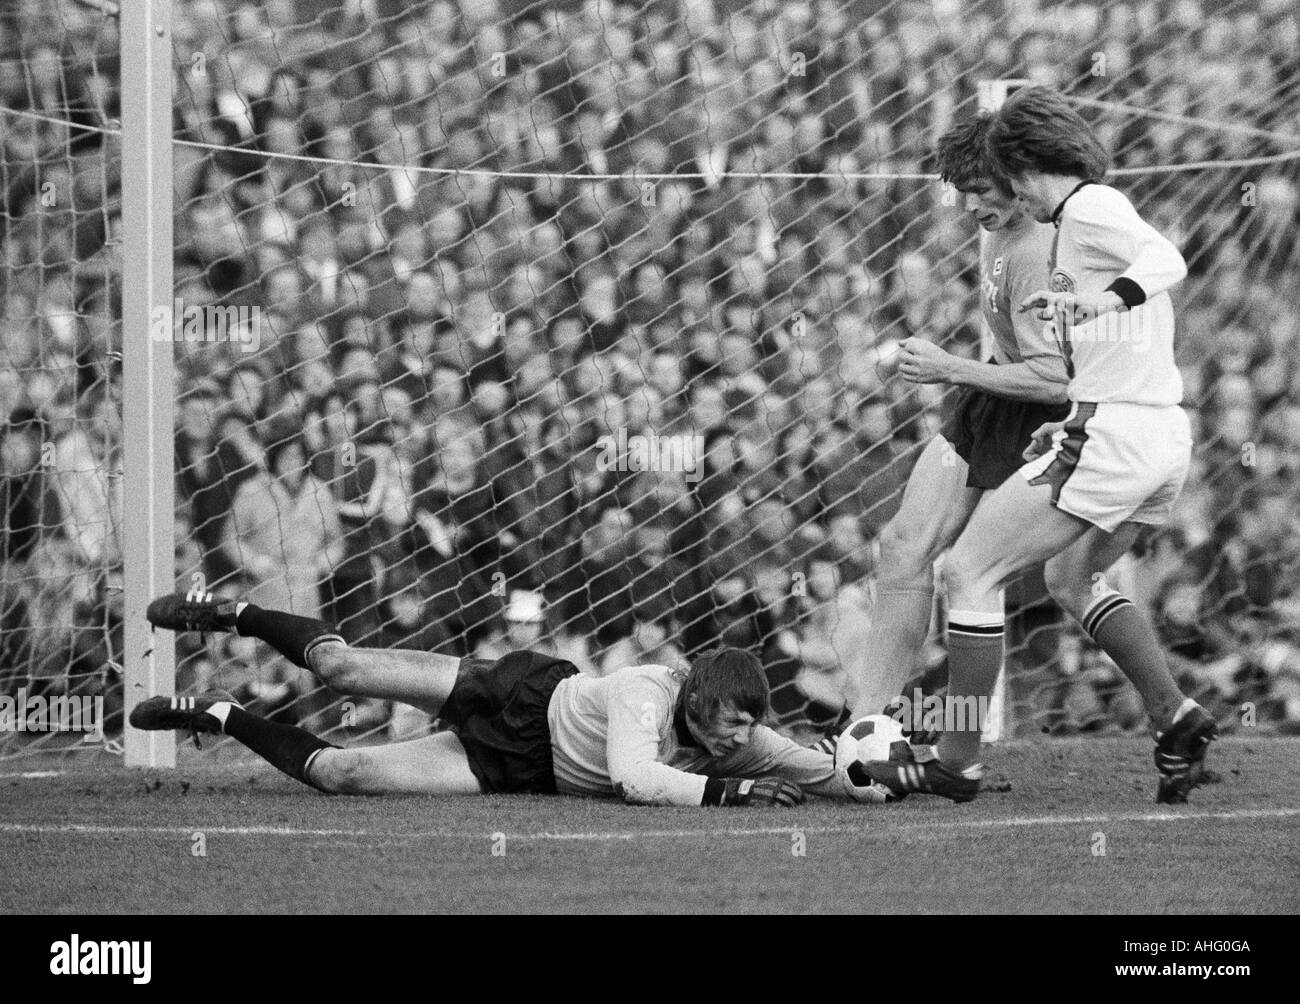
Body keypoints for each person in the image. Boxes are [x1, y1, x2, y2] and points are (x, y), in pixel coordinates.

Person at [862, 86, 1215, 805]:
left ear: (1021, 168)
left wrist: (1099, 302)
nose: (984, 199)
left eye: (995, 178)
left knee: (967, 572)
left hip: (1114, 432)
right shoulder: (1070, 223)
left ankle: (956, 761)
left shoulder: (1084, 209)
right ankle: (1174, 715)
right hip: (1149, 432)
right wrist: (1079, 402)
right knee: (1068, 582)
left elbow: (1166, 259)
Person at [129, 590, 888, 806]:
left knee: (342, 776)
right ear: (702, 699)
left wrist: (902, 777)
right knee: (343, 670)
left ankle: (217, 713)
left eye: (748, 729)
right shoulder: (642, 692)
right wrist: (730, 793)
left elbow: (811, 767)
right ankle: (235, 613)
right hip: (517, 692)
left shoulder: (729, 738)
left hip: (515, 767)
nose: (740, 739)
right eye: (736, 723)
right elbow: (634, 777)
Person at [846, 111, 1069, 718]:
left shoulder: (1041, 252)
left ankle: (1169, 709)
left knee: (1031, 582)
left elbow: (1057, 378)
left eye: (982, 190)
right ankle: (867, 723)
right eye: (962, 192)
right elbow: (1017, 351)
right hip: (991, 405)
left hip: (1045, 425)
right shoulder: (998, 234)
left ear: (1020, 180)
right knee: (901, 547)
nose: (970, 205)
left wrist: (952, 368)